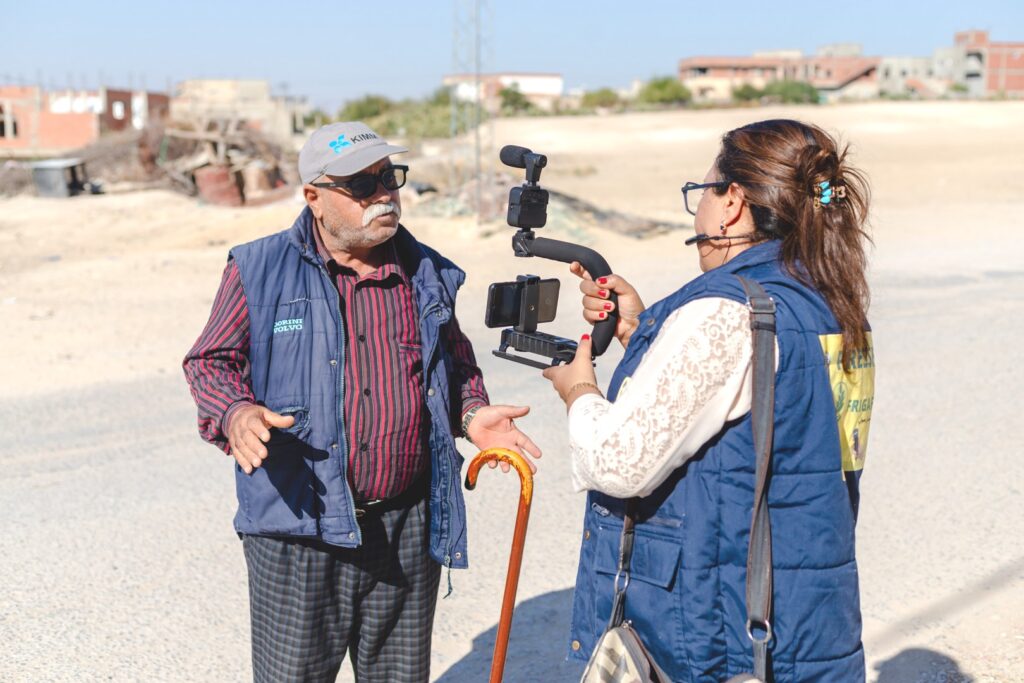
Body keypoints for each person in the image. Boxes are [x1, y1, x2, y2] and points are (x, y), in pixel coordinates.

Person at [183, 121, 541, 683]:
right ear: (313, 197)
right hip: (300, 527)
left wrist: (472, 415)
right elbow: (210, 361)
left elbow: (455, 364)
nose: (383, 195)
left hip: (405, 525)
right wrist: (236, 412)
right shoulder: (258, 269)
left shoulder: (427, 273)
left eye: (388, 177)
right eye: (361, 185)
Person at [543, 119, 874, 681]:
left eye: (701, 194)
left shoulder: (725, 313)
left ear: (732, 205)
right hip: (805, 613)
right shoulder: (826, 297)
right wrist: (640, 332)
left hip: (725, 629)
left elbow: (619, 463)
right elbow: (760, 414)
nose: (696, 212)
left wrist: (578, 389)